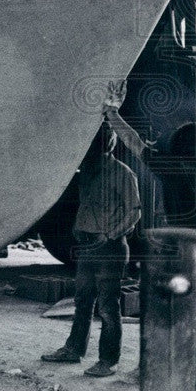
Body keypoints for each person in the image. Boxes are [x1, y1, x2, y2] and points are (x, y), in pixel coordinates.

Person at [42, 120, 141, 377]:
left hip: (110, 248)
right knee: (83, 301)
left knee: (108, 306)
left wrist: (110, 235)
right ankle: (74, 350)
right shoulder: (87, 171)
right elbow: (86, 204)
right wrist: (78, 226)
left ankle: (108, 361)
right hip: (87, 246)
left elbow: (134, 212)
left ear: (108, 144)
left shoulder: (122, 173)